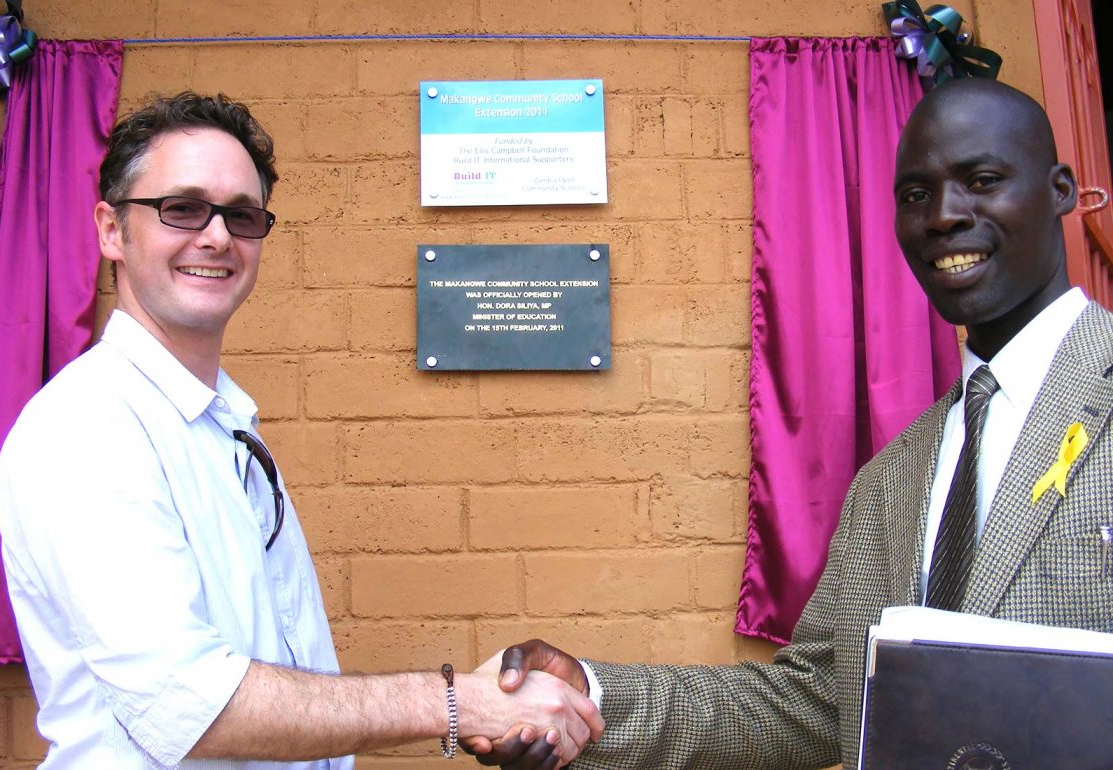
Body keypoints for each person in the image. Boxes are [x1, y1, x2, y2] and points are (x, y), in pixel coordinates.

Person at [467, 77, 1113, 770]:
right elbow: (814, 702)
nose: (944, 216)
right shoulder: (890, 481)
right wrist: (588, 695)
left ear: (1060, 191)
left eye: (982, 180)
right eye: (915, 195)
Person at [0, 92, 602, 769]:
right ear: (112, 230)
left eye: (242, 216)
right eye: (183, 208)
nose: (217, 236)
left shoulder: (219, 423)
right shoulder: (87, 428)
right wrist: (460, 703)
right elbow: (189, 706)